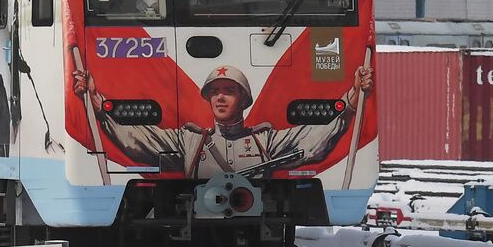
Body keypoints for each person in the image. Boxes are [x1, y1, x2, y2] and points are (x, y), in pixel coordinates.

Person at [73, 64, 373, 179]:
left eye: (229, 92)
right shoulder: (190, 140)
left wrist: (350, 102)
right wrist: (100, 108)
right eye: (214, 92)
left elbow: (312, 139)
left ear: (244, 100)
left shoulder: (264, 140)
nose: (220, 98)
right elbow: (139, 140)